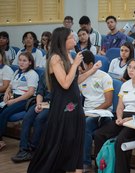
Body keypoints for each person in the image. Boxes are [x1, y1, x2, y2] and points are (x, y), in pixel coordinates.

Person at [27, 27, 97, 173]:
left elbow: (74, 80)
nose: (74, 39)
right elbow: (65, 83)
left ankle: (74, 168)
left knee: (75, 139)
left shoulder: (70, 55)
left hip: (75, 102)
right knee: (62, 139)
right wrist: (76, 64)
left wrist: (92, 71)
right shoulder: (55, 58)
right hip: (63, 103)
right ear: (63, 41)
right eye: (71, 37)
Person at [93, 58, 135, 173]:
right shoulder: (125, 85)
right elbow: (120, 106)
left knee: (121, 140)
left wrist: (130, 119)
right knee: (98, 134)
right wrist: (120, 117)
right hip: (123, 117)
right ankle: (100, 169)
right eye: (129, 67)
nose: (131, 70)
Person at [78, 50, 114, 172]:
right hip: (86, 111)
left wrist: (92, 111)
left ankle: (85, 163)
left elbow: (108, 102)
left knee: (85, 125)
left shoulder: (104, 77)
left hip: (102, 113)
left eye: (81, 64)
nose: (78, 67)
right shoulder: (81, 78)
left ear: (90, 64)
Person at [0, 52, 39, 151]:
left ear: (30, 62)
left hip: (25, 99)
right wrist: (6, 94)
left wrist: (13, 101)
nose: (21, 63)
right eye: (20, 60)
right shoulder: (17, 71)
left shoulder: (32, 74)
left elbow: (30, 92)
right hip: (14, 97)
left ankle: (0, 140)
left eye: (24, 61)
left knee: (4, 113)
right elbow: (10, 86)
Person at [11, 72, 50, 163]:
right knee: (27, 118)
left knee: (39, 119)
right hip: (42, 102)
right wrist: (39, 104)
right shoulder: (44, 75)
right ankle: (23, 149)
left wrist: (46, 104)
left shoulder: (61, 75)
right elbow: (40, 92)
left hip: (53, 105)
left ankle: (34, 149)